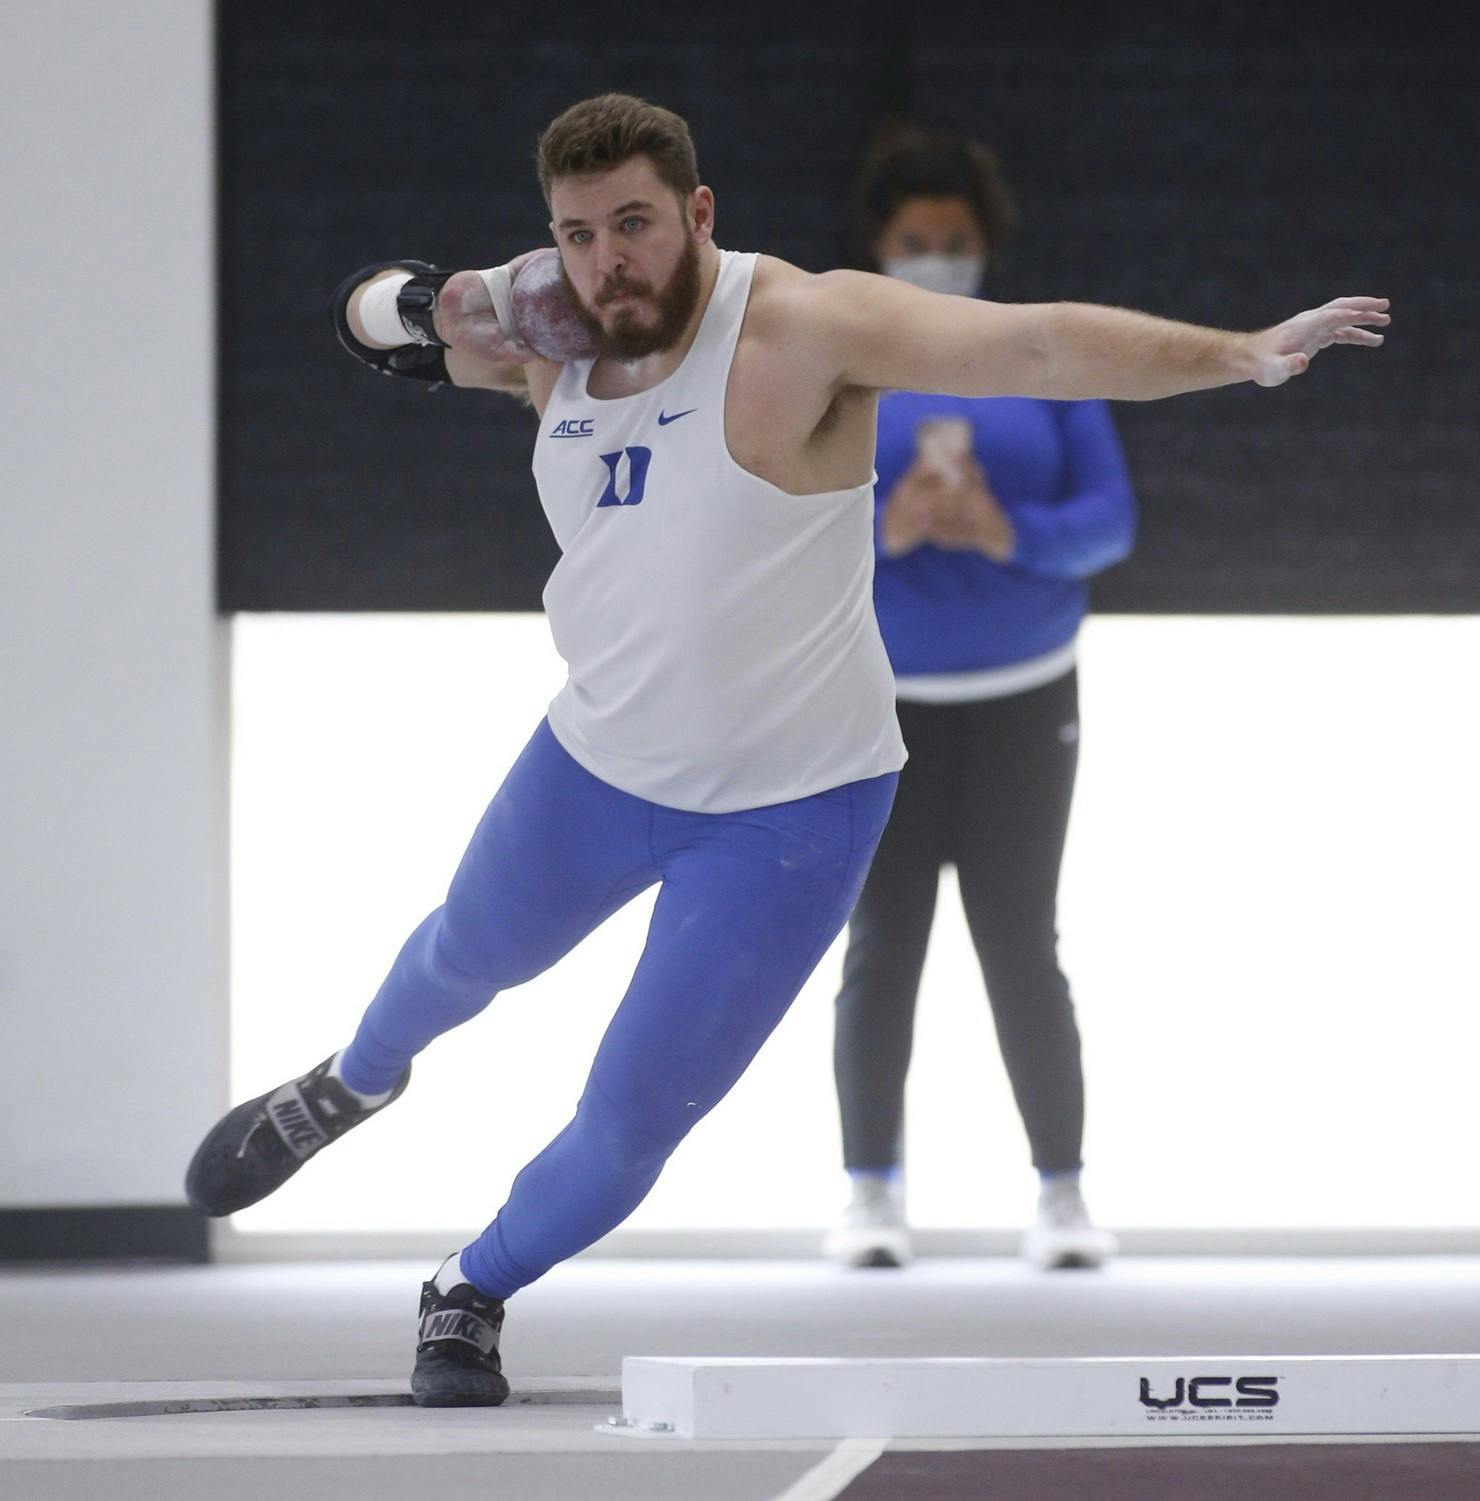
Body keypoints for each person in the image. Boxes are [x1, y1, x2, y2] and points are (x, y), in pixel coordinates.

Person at [184, 93, 1390, 1407]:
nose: (610, 261)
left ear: (698, 214)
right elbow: (356, 322)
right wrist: (426, 303)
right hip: (596, 769)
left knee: (635, 1115)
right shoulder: (551, 342)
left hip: (790, 815)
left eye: (635, 224)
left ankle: (467, 1290)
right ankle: (349, 1084)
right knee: (464, 955)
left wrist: (1240, 352)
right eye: (578, 235)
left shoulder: (803, 328)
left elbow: (1035, 344)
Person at [824, 129, 1135, 1273]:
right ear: (879, 245)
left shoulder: (1043, 363)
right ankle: (869, 1194)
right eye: (917, 244)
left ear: (984, 246)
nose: (938, 261)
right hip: (879, 702)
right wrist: (885, 528)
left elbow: (1111, 521)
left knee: (1019, 941)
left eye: (956, 244)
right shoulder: (842, 365)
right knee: (881, 943)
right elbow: (777, 533)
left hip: (1021, 696)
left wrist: (1008, 533)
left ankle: (1060, 1194)